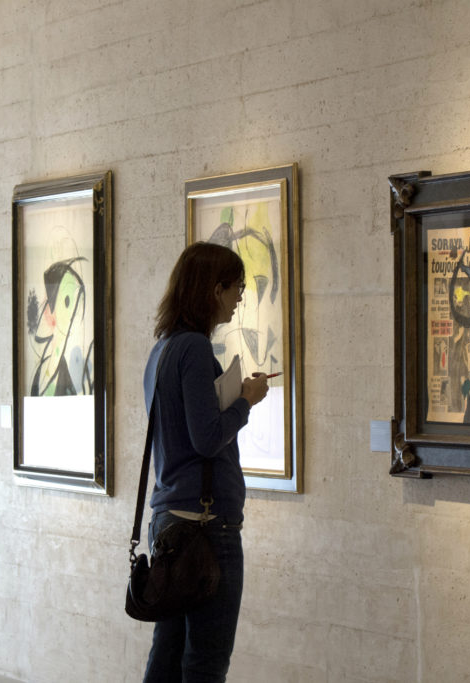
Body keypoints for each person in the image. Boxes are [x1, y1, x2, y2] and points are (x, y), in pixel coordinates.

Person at [141, 242, 270, 682]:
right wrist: (246, 400)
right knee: (205, 664)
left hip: (171, 520)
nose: (239, 298)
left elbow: (182, 432)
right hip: (205, 527)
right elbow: (208, 437)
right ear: (215, 289)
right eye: (237, 288)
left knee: (167, 658)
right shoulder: (195, 348)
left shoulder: (162, 350)